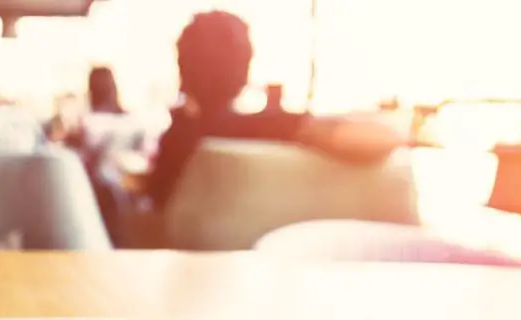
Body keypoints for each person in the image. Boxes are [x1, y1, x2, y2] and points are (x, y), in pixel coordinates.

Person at [147, 11, 403, 209]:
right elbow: (378, 138)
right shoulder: (270, 126)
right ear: (246, 66)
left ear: (182, 65)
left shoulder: (176, 137)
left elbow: (155, 200)